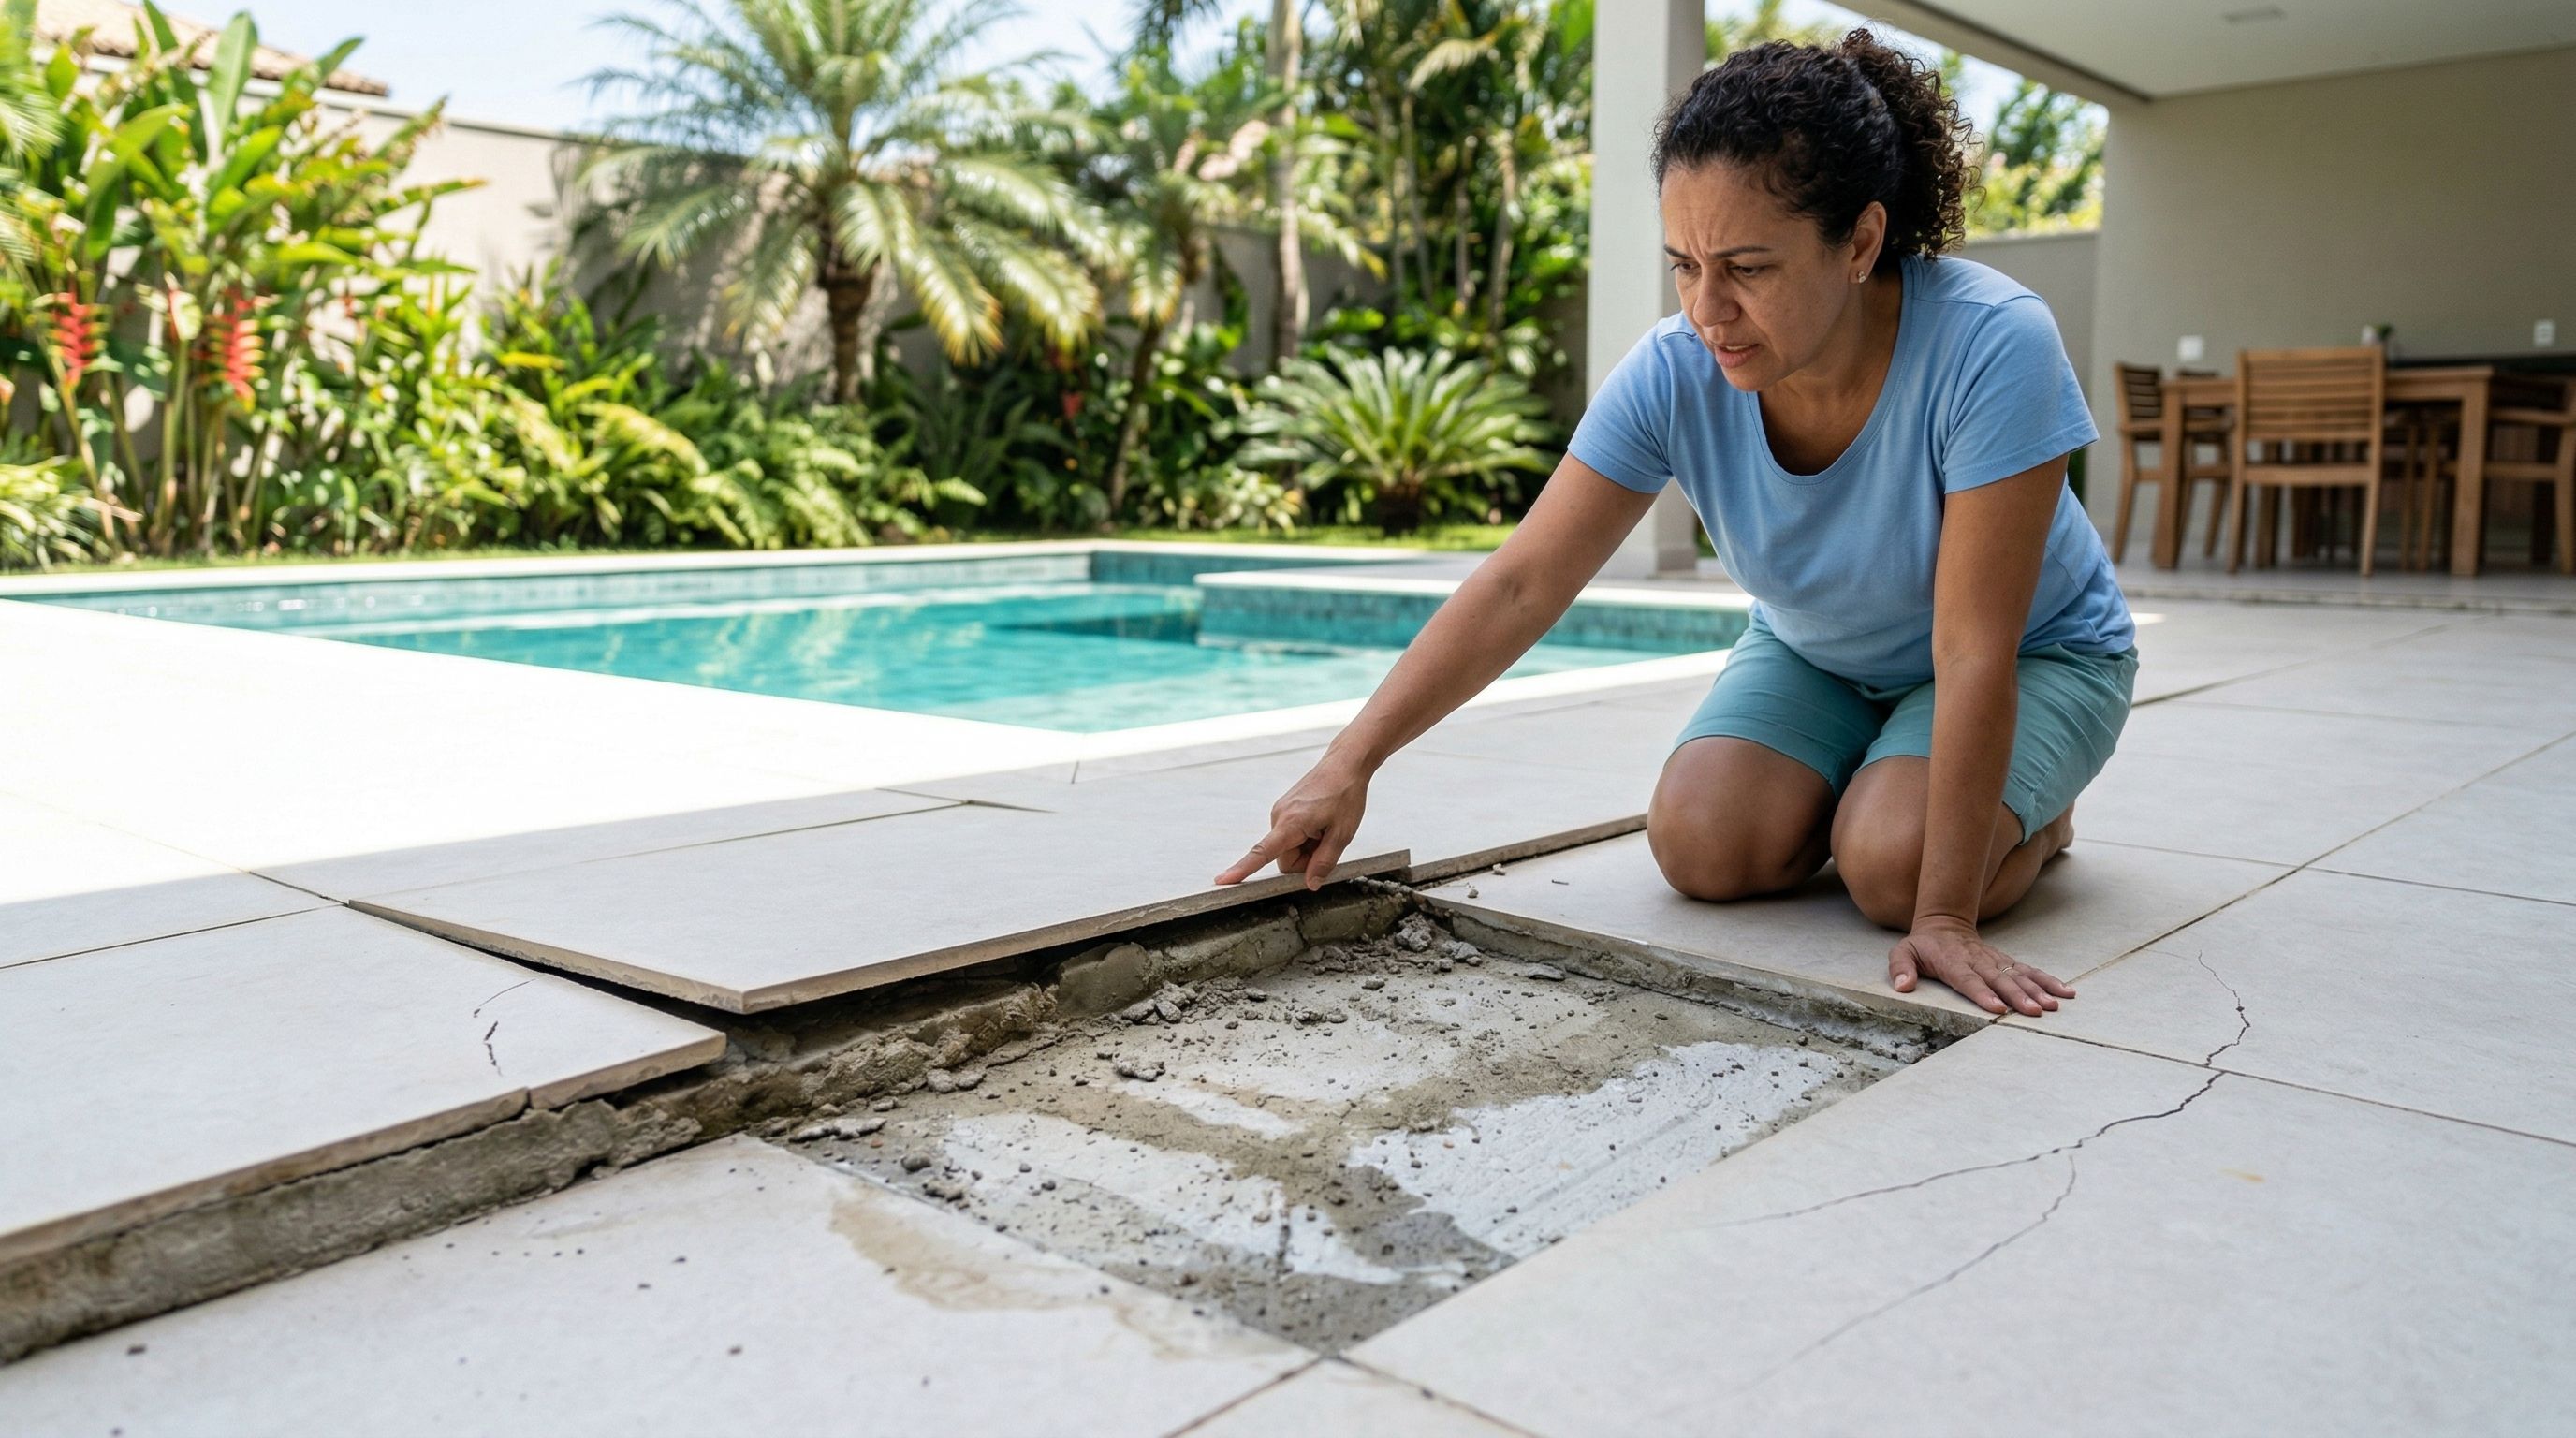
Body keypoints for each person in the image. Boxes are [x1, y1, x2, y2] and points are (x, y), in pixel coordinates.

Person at [1213, 30, 2137, 1020]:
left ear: (1860, 242)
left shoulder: (1993, 346)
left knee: (1890, 872)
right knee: (1701, 844)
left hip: (2038, 656)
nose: (1708, 309)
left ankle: (2035, 819)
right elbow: (1524, 581)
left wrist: (1946, 914)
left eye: (1745, 266)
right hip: (1823, 655)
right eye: (1684, 265)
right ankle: (1884, 772)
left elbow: (1971, 647)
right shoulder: (1673, 370)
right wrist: (1347, 765)